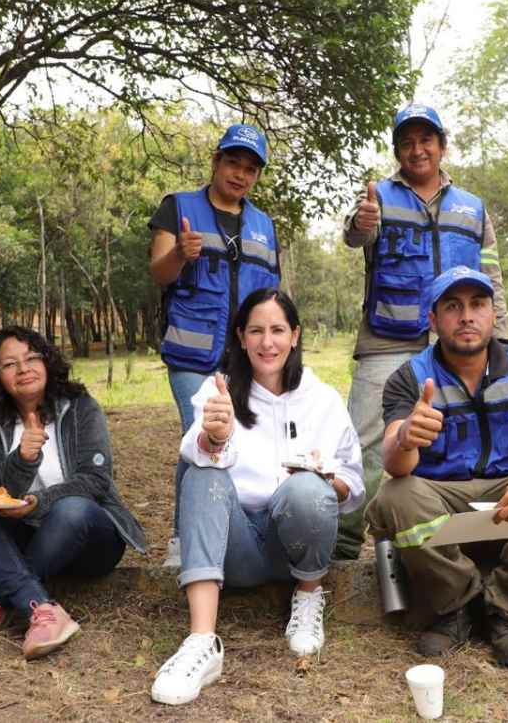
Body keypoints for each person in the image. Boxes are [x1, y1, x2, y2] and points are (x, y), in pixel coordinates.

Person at [364, 266, 508, 668]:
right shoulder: (410, 377)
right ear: (433, 321)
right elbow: (394, 464)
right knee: (396, 495)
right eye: (452, 307)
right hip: (442, 500)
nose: (466, 316)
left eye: (477, 304)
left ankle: (506, 615)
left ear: (492, 314)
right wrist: (406, 438)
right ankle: (458, 608)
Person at [151, 289, 364, 706]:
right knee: (200, 473)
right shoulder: (219, 392)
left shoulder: (322, 400)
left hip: (296, 547)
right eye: (256, 331)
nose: (268, 343)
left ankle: (307, 599)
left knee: (306, 488)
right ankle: (201, 642)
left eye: (278, 330)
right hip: (236, 548)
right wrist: (216, 436)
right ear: (241, 337)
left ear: (295, 335)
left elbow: (353, 486)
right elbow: (192, 452)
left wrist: (325, 480)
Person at [338, 103, 507, 561]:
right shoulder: (379, 197)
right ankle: (345, 543)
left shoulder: (472, 207)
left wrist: (501, 337)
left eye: (426, 140)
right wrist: (361, 222)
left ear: (442, 146)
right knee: (366, 439)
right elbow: (356, 235)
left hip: (456, 338)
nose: (417, 150)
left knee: (458, 435)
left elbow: (490, 276)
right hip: (387, 335)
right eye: (407, 142)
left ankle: (448, 539)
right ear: (397, 151)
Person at [0, 326, 146, 659]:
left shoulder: (80, 407)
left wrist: (38, 505)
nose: (23, 369)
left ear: (47, 362)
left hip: (88, 541)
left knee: (71, 509)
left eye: (31, 358)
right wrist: (22, 460)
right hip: (27, 541)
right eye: (9, 364)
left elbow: (96, 481)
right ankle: (42, 608)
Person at [148, 123, 279, 567]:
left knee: (233, 440)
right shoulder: (179, 207)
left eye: (250, 169)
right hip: (192, 356)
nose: (240, 174)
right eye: (233, 163)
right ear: (216, 161)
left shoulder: (263, 225)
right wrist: (180, 254)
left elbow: (271, 296)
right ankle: (184, 541)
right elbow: (159, 272)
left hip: (245, 359)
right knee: (199, 435)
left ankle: (223, 530)